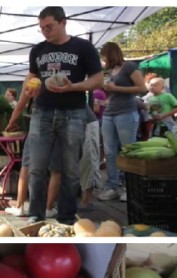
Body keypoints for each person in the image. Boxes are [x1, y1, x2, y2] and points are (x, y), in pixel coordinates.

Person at [16, 7, 104, 225]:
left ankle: (66, 217)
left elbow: (98, 79)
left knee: (70, 168)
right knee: (36, 166)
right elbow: (32, 76)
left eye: (49, 27)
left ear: (64, 22)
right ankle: (35, 215)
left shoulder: (83, 47)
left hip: (73, 112)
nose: (45, 31)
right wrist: (29, 89)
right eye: (42, 28)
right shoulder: (37, 50)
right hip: (42, 111)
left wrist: (74, 86)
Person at [97, 42, 146, 202]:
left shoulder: (129, 67)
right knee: (109, 152)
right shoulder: (110, 71)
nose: (103, 60)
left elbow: (141, 88)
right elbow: (113, 92)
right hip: (109, 113)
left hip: (126, 112)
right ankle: (113, 186)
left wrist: (116, 89)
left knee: (127, 150)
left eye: (104, 56)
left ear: (111, 54)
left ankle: (128, 186)